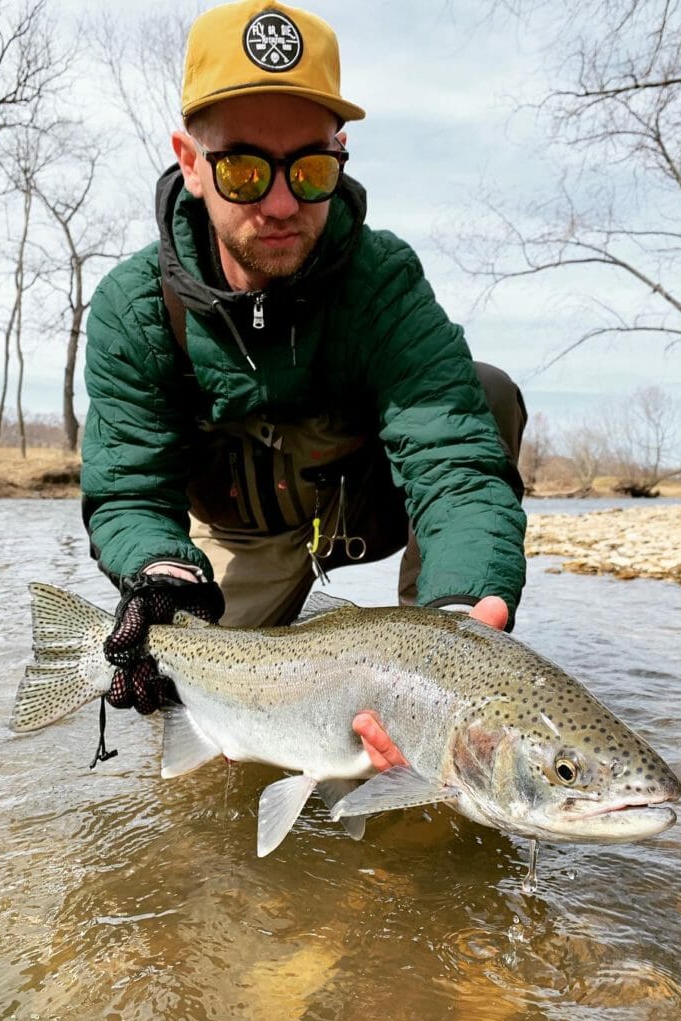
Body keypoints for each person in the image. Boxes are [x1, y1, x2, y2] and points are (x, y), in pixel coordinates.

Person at [82, 0, 528, 771]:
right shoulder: (134, 308)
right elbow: (127, 489)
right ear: (190, 162)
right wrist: (161, 572)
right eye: (245, 169)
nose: (281, 203)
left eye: (310, 169)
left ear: (340, 156)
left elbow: (452, 461)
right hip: (238, 535)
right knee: (207, 763)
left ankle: (425, 645)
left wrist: (459, 628)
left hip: (351, 506)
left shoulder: (384, 281)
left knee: (485, 392)